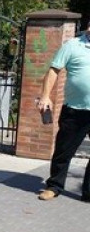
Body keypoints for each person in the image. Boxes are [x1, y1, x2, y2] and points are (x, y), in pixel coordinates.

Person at [36, 23, 90, 201]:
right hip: (75, 110)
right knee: (63, 151)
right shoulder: (72, 46)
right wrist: (45, 97)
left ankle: (88, 192)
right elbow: (53, 71)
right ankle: (54, 186)